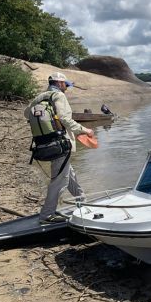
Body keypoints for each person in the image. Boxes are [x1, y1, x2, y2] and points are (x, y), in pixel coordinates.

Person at [24, 72, 94, 224]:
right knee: (59, 181)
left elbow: (26, 114)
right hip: (61, 144)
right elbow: (64, 118)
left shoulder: (40, 97)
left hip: (46, 144)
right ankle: (47, 215)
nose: (67, 87)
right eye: (66, 84)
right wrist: (84, 130)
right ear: (59, 83)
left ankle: (83, 202)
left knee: (69, 177)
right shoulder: (59, 96)